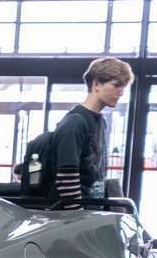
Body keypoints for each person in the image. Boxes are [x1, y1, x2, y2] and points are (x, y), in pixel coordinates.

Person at [50, 57, 133, 208]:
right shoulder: (75, 122)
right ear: (96, 84)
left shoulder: (100, 121)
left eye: (123, 87)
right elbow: (66, 178)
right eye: (116, 85)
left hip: (92, 211)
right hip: (77, 216)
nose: (121, 92)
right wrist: (78, 215)